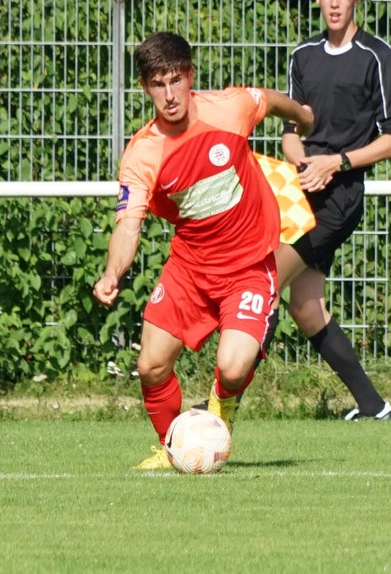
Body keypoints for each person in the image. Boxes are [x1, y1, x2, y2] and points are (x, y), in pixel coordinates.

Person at [92, 31, 315, 470]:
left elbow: (268, 99)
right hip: (190, 270)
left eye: (176, 80)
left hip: (249, 265)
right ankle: (171, 447)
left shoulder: (229, 108)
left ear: (190, 76)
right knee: (151, 366)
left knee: (232, 368)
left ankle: (221, 407)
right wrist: (112, 273)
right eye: (158, 84)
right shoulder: (143, 153)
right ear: (144, 87)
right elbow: (128, 225)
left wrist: (302, 117)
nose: (169, 95)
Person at [265, 0, 391, 420]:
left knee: (262, 284)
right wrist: (302, 161)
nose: (333, 3)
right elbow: (291, 132)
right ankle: (374, 407)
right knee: (306, 307)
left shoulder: (376, 56)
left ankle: (218, 407)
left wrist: (337, 162)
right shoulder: (303, 56)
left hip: (340, 200)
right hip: (302, 192)